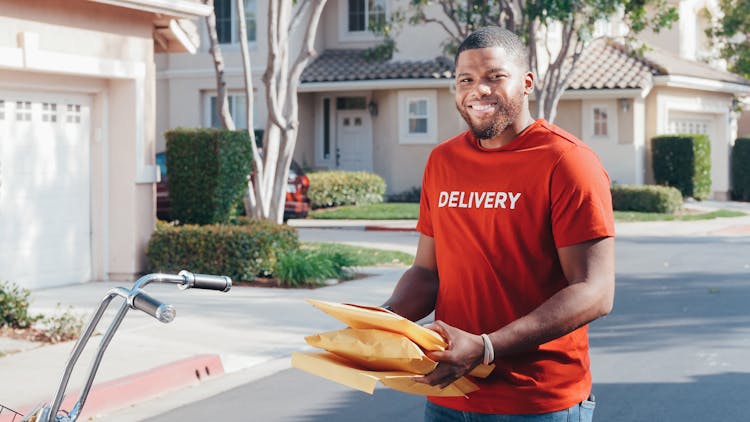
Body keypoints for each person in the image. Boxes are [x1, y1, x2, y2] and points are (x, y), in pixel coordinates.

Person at [381, 26, 615, 421]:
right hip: (450, 395)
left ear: (526, 83)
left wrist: (487, 346)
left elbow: (594, 291)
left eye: (494, 77)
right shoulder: (443, 161)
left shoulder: (567, 161)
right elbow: (426, 272)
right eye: (466, 80)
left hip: (537, 402)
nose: (479, 90)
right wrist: (382, 322)